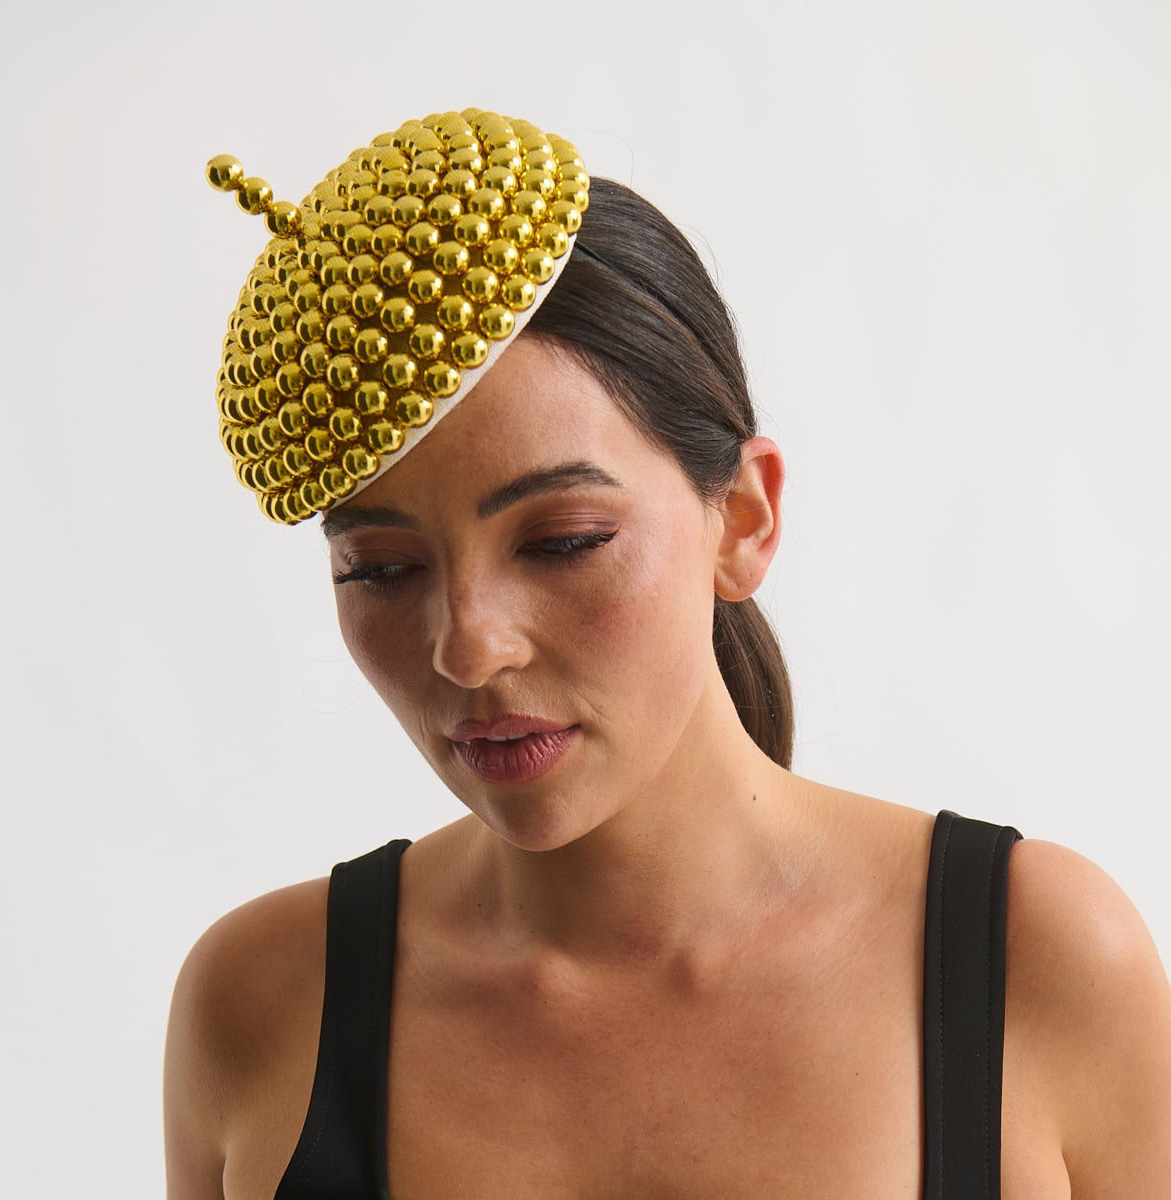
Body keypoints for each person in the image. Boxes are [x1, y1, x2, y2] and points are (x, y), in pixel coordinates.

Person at [165, 109, 1171, 1199]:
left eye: (562, 542)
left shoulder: (1038, 962)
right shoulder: (264, 1005)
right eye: (382, 570)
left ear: (743, 518)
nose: (467, 646)